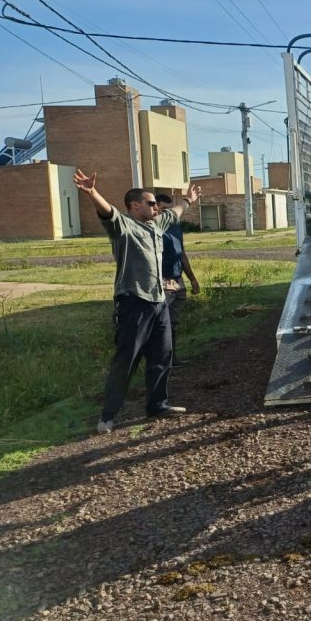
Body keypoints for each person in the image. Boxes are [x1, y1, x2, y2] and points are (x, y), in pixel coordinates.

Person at [73, 168, 202, 433]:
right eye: (151, 203)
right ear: (135, 205)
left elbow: (174, 213)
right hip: (134, 303)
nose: (157, 207)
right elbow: (107, 212)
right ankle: (108, 415)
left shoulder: (156, 225)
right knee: (127, 360)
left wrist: (188, 200)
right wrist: (91, 192)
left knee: (162, 356)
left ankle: (157, 405)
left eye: (156, 203)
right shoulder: (124, 227)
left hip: (159, 302)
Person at [156, 194, 200, 367]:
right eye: (164, 210)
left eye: (170, 209)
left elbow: (181, 254)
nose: (168, 214)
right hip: (163, 282)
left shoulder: (174, 226)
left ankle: (171, 359)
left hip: (177, 280)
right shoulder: (153, 229)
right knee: (162, 323)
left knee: (172, 323)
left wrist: (192, 279)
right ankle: (161, 361)